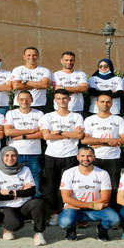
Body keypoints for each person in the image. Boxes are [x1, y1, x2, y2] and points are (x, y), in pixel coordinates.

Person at [39, 88, 84, 224]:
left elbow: (79, 135)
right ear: (55, 100)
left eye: (64, 98)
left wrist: (58, 132)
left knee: (73, 185)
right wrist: (69, 133)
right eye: (59, 98)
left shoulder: (76, 117)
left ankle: (73, 211)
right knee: (51, 186)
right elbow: (46, 135)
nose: (62, 101)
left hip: (71, 154)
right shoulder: (48, 117)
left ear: (69, 99)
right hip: (52, 155)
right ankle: (54, 213)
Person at [58, 146, 121, 241]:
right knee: (65, 222)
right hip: (79, 209)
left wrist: (82, 206)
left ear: (94, 157)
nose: (86, 159)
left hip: (89, 208)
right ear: (77, 157)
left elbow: (105, 198)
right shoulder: (69, 173)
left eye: (89, 156)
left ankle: (102, 229)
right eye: (82, 156)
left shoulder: (103, 173)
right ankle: (71, 228)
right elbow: (66, 198)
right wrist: (91, 206)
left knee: (115, 220)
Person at [0, 146, 49, 245]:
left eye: (13, 155)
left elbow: (32, 191)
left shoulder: (25, 170)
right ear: (2, 157)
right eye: (7, 155)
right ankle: (7, 228)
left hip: (23, 205)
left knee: (38, 203)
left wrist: (11, 192)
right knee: (16, 224)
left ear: (17, 157)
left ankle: (38, 233)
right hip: (5, 207)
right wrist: (21, 191)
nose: (10, 158)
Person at [81, 94, 124, 208]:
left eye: (108, 102)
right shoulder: (89, 120)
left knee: (114, 187)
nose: (105, 104)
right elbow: (85, 140)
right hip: (94, 158)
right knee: (92, 186)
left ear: (112, 104)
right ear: (96, 103)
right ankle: (90, 212)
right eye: (102, 101)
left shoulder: (118, 120)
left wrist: (97, 142)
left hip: (113, 158)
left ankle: (114, 213)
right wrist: (107, 141)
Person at [4, 91, 45, 196]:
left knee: (35, 183)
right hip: (15, 154)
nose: (24, 102)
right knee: (15, 182)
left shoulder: (39, 114)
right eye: (21, 99)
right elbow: (8, 132)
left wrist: (21, 136)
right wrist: (31, 131)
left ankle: (35, 204)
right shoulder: (11, 113)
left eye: (27, 99)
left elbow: (43, 134)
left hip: (34, 153)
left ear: (32, 100)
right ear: (17, 101)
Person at [11, 47, 51, 112]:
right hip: (20, 105)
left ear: (38, 56)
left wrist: (25, 82)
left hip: (39, 105)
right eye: (28, 55)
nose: (31, 57)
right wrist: (38, 84)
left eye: (34, 55)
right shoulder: (17, 70)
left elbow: (45, 85)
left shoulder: (45, 70)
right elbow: (16, 86)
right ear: (24, 57)